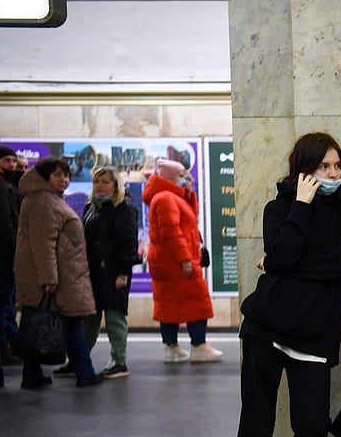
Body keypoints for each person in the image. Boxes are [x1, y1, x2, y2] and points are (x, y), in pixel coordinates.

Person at [229, 132, 341, 437]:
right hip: (266, 327)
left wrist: (282, 264)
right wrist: (301, 211)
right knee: (258, 420)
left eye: (337, 166)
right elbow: (282, 254)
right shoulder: (279, 209)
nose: (334, 174)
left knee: (311, 425)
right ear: (304, 170)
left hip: (315, 334)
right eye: (324, 166)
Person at [13, 157, 103, 389]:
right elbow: (44, 244)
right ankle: (85, 373)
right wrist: (49, 278)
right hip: (58, 276)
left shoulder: (45, 199)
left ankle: (31, 375)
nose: (64, 180)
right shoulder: (44, 201)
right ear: (45, 178)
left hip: (60, 273)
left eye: (66, 175)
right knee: (71, 323)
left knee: (39, 322)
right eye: (57, 175)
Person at [142, 158, 221, 363]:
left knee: (169, 304)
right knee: (197, 302)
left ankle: (172, 348)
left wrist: (188, 192)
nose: (186, 178)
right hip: (177, 261)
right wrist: (185, 259)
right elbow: (171, 232)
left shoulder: (166, 197)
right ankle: (199, 345)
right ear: (169, 178)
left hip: (168, 261)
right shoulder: (166, 198)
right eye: (181, 175)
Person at [76, 166, 140, 378]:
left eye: (105, 182)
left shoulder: (123, 207)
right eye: (97, 182)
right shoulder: (91, 207)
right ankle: (80, 359)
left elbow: (129, 242)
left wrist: (123, 273)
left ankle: (119, 361)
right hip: (93, 273)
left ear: (116, 185)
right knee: (89, 319)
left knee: (114, 319)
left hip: (114, 273)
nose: (100, 186)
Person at [0, 145, 21, 364]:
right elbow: (5, 225)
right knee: (5, 304)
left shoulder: (1, 182)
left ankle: (8, 345)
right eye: (6, 161)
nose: (12, 165)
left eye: (13, 160)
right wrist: (13, 258)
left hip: (3, 257)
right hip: (5, 259)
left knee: (7, 302)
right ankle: (5, 346)